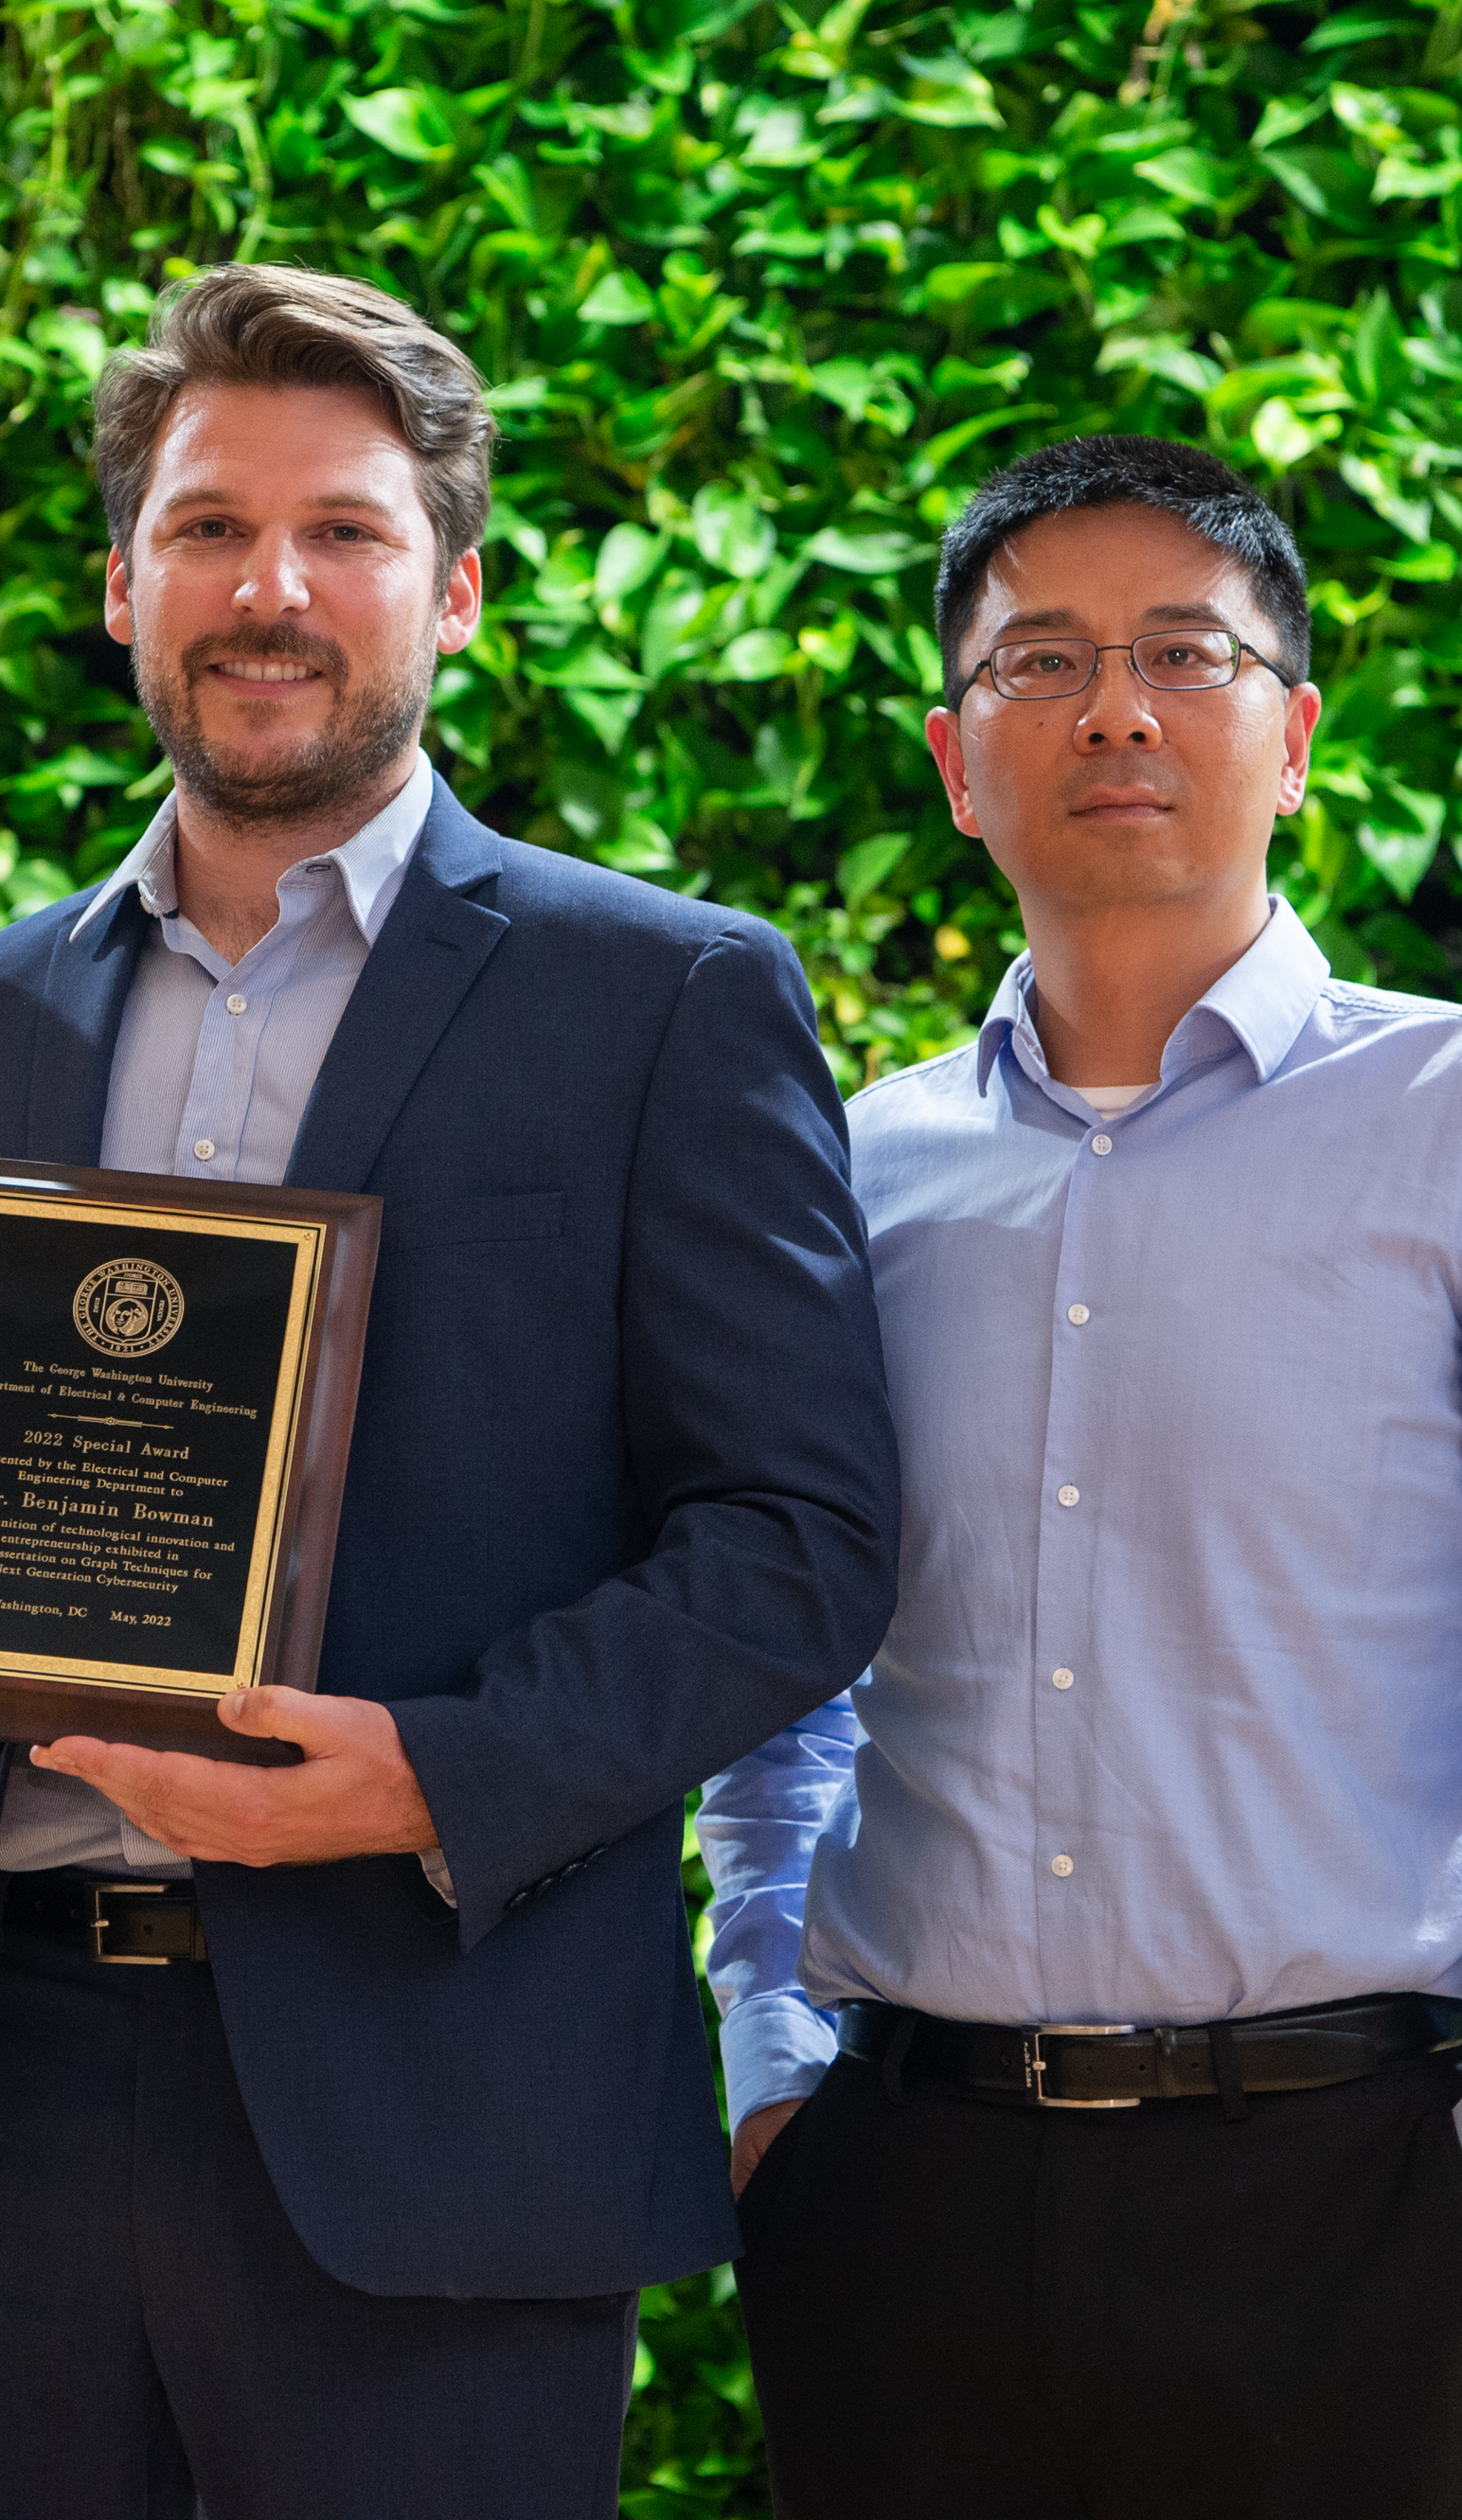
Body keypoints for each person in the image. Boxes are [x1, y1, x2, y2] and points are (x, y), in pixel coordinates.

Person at [0, 261, 900, 2520]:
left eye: (344, 532)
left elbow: (801, 1536)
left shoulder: (662, 997)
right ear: (118, 586)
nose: (268, 589)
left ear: (453, 591)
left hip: (435, 2102)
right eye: (204, 527)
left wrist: (427, 1778)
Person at [697, 435, 1462, 2517]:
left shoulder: (1443, 1118)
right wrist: (774, 2064)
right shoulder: (839, 1177)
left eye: (1179, 653)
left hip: (1371, 2191)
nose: (1112, 706)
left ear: (1294, 736)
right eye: (1038, 660)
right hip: (902, 2194)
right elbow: (779, 1672)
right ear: (957, 760)